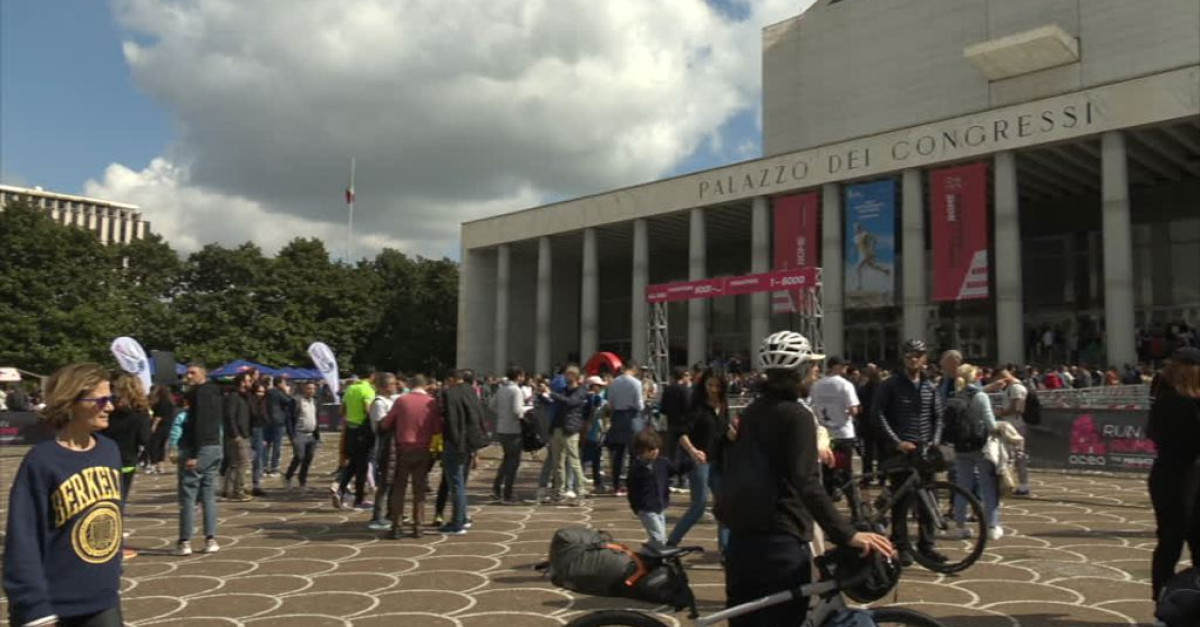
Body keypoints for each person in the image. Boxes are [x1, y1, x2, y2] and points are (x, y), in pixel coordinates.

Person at [717, 332, 893, 626]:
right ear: (798, 371)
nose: (815, 371)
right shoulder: (796, 415)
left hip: (741, 540)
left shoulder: (752, 411)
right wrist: (847, 534)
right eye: (811, 365)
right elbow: (807, 482)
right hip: (780, 541)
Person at [4, 363, 125, 627]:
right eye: (101, 400)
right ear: (71, 403)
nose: (110, 407)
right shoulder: (42, 460)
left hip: (103, 599)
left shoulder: (110, 451)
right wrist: (35, 609)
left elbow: (112, 516)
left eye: (112, 398)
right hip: (52, 606)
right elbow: (23, 539)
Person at [872, 338, 946, 567]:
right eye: (909, 356)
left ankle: (927, 545)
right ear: (903, 358)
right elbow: (877, 414)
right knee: (901, 500)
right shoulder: (890, 385)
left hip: (924, 450)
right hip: (901, 450)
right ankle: (902, 545)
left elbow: (938, 417)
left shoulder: (930, 386)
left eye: (918, 355)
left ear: (924, 358)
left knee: (928, 498)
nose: (913, 360)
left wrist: (934, 442)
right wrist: (897, 442)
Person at [1147, 346, 1200, 601]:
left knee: (1171, 541)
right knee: (1176, 540)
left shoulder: (1163, 398)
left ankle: (1163, 598)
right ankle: (1169, 600)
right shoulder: (1183, 404)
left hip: (1169, 474)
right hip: (1183, 477)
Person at [666, 367, 726, 547]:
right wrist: (693, 451)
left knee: (724, 505)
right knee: (699, 505)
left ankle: (725, 549)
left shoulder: (723, 405)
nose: (713, 389)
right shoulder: (697, 406)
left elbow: (722, 432)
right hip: (700, 461)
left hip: (719, 461)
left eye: (717, 385)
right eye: (710, 385)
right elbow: (681, 432)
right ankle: (672, 542)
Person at [99, 373, 153, 560]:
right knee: (118, 504)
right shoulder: (140, 412)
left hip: (103, 458)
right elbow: (145, 439)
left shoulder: (108, 409)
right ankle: (115, 545)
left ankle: (101, 540)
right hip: (126, 462)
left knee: (101, 502)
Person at [382, 375, 443, 539]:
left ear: (410, 384)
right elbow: (437, 428)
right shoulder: (431, 402)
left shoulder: (401, 400)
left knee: (399, 488)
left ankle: (396, 526)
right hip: (423, 449)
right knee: (419, 489)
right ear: (425, 385)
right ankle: (418, 526)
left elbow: (387, 423)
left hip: (402, 448)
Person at [949, 364, 1002, 541]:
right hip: (980, 446)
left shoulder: (955, 396)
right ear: (975, 377)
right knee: (988, 486)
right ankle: (991, 526)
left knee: (962, 486)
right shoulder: (980, 397)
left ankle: (959, 526)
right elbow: (990, 424)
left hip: (960, 446)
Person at [176, 363, 223, 556]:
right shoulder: (216, 392)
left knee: (189, 496)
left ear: (203, 374)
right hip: (214, 446)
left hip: (200, 447)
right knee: (208, 496)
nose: (188, 376)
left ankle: (185, 541)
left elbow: (200, 423)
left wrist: (194, 454)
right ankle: (211, 538)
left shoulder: (200, 393)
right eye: (187, 373)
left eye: (192, 373)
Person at [438, 369, 486, 535]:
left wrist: (453, 441)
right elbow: (479, 415)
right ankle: (463, 517)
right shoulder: (471, 391)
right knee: (461, 481)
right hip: (471, 441)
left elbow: (451, 420)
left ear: (451, 379)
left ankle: (457, 522)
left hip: (456, 441)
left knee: (456, 482)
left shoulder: (450, 394)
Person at [810, 356, 861, 501]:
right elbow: (853, 409)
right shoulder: (846, 385)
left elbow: (813, 406)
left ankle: (829, 500)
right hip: (843, 434)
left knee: (827, 471)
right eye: (843, 366)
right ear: (835, 367)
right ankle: (854, 506)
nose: (846, 368)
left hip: (825, 436)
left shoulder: (817, 385)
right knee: (846, 472)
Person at [540, 365, 592, 504]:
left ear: (574, 376)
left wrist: (551, 393)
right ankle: (559, 491)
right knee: (558, 462)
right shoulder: (563, 390)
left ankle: (580, 491)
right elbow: (554, 402)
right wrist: (543, 395)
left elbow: (570, 402)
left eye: (568, 375)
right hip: (558, 427)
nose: (565, 377)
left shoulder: (581, 391)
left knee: (574, 462)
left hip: (570, 429)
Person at [332, 373, 376, 510]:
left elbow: (341, 411)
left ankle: (340, 490)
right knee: (362, 467)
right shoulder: (367, 390)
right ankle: (359, 499)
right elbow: (368, 409)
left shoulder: (350, 389)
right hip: (363, 431)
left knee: (353, 464)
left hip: (350, 431)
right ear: (372, 376)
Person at [367, 373, 403, 530]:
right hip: (385, 445)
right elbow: (381, 426)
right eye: (392, 384)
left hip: (396, 444)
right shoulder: (379, 403)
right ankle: (377, 516)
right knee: (385, 482)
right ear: (383, 387)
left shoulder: (394, 399)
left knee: (395, 481)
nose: (395, 386)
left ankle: (392, 512)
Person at [627, 429, 674, 548]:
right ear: (641, 451)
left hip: (660, 506)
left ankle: (647, 554)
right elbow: (632, 489)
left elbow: (676, 468)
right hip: (646, 509)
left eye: (656, 449)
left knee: (660, 537)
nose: (654, 452)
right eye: (650, 450)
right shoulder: (637, 468)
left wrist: (692, 462)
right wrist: (636, 507)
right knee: (659, 538)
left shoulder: (661, 462)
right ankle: (646, 555)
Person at [606, 362, 646, 497]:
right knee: (634, 453)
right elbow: (640, 405)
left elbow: (610, 403)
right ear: (634, 369)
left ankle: (616, 485)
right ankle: (632, 484)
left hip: (618, 417)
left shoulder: (614, 382)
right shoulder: (636, 383)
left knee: (618, 454)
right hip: (632, 418)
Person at [992, 368, 1033, 496]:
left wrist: (1001, 412)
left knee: (1018, 455)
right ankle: (1012, 483)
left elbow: (1017, 408)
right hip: (1012, 424)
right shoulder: (1012, 387)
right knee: (1010, 455)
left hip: (1015, 425)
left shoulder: (1016, 388)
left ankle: (1023, 485)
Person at [489, 367, 526, 504]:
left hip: (501, 428)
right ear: (518, 376)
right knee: (513, 462)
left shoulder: (501, 389)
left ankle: (496, 488)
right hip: (513, 429)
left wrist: (502, 413)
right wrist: (527, 408)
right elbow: (517, 410)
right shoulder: (516, 390)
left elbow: (492, 405)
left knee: (506, 459)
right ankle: (508, 493)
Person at [659, 366, 692, 493]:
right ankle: (683, 480)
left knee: (672, 453)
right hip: (684, 425)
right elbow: (689, 407)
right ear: (683, 376)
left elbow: (662, 409)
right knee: (685, 452)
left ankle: (671, 479)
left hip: (671, 424)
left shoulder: (668, 390)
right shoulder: (685, 390)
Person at [222, 372, 253, 503]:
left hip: (243, 433)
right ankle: (238, 491)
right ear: (242, 382)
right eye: (249, 380)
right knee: (242, 463)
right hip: (238, 435)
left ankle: (228, 490)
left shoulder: (244, 396)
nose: (251, 383)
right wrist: (236, 434)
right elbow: (230, 415)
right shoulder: (234, 396)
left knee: (234, 463)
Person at [285, 382, 321, 491]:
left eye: (313, 389)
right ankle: (288, 476)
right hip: (299, 433)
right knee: (299, 456)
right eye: (308, 388)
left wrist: (317, 434)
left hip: (312, 434)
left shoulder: (315, 401)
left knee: (308, 459)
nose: (311, 391)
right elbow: (289, 418)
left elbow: (316, 417)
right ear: (304, 389)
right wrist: (291, 435)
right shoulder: (296, 401)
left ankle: (302, 482)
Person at [265, 377, 293, 476]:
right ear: (279, 384)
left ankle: (264, 467)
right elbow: (289, 401)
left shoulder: (269, 392)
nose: (285, 385)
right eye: (284, 383)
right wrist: (287, 392)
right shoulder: (278, 392)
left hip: (268, 421)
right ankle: (274, 468)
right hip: (278, 421)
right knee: (276, 446)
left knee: (267, 445)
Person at [247, 381, 269, 497]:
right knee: (246, 459)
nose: (260, 394)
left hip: (259, 432)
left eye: (263, 392)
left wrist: (264, 437)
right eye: (258, 392)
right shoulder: (250, 402)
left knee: (258, 460)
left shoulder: (264, 403)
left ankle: (256, 485)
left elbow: (265, 420)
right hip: (249, 432)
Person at [147, 385, 175, 475]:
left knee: (154, 445)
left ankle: (153, 465)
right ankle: (161, 466)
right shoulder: (170, 402)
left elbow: (158, 416)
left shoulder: (161, 403)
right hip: (167, 425)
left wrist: (153, 426)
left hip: (159, 426)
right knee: (162, 446)